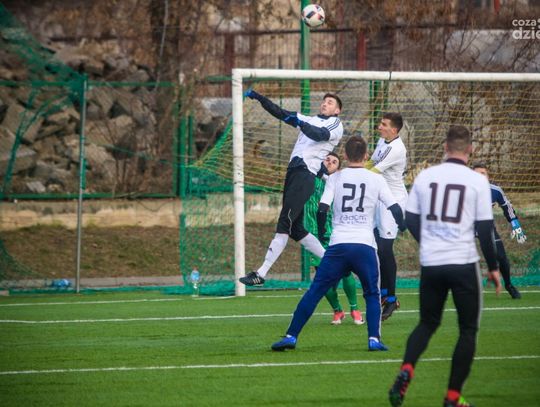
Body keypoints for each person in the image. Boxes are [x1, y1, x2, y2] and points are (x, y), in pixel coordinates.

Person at [388, 125, 501, 407]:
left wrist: (427, 243)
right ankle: (452, 397)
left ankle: (406, 369)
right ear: (470, 149)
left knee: (427, 323)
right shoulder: (477, 181)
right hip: (463, 262)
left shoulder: (426, 176)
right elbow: (485, 229)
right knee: (468, 330)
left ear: (445, 148)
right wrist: (494, 267)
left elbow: (410, 219)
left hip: (432, 262)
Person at [270, 135, 405, 352]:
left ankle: (291, 336)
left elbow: (322, 208)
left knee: (315, 291)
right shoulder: (377, 179)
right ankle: (373, 339)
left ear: (345, 155)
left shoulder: (336, 178)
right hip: (364, 246)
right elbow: (395, 208)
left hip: (338, 245)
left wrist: (323, 232)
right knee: (372, 294)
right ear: (366, 156)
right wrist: (403, 225)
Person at [239, 90, 344, 286]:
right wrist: (259, 97)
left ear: (337, 110)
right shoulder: (310, 119)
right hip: (294, 173)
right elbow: (281, 113)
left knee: (284, 223)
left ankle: (261, 273)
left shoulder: (335, 124)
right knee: (297, 229)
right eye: (324, 101)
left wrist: (299, 123)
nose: (325, 104)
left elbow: (318, 134)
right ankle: (333, 263)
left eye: (330, 102)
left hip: (305, 175)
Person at [304, 152, 364, 325]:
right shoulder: (309, 178)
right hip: (313, 234)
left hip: (334, 233)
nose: (329, 162)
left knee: (345, 271)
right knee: (322, 277)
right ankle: (338, 311)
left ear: (338, 168)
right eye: (327, 159)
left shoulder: (337, 182)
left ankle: (355, 309)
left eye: (334, 161)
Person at [365, 113, 408, 321]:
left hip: (393, 202)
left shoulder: (397, 149)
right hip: (379, 200)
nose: (379, 126)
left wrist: (349, 174)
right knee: (375, 249)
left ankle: (391, 298)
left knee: (384, 249)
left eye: (384, 124)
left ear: (394, 130)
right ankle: (383, 293)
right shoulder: (383, 141)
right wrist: (354, 166)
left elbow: (373, 170)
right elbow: (371, 162)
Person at [472, 163, 526, 299]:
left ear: (487, 175)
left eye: (483, 173)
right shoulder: (463, 189)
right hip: (467, 229)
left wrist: (516, 225)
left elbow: (507, 207)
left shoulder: (495, 190)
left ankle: (509, 285)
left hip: (486, 227)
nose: (480, 177)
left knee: (502, 257)